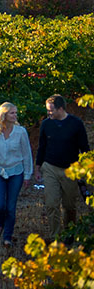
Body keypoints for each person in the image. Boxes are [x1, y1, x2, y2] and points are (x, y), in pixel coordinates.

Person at [35, 94, 91, 236]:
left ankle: (69, 233)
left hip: (70, 170)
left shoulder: (76, 124)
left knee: (69, 205)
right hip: (50, 167)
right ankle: (56, 237)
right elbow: (42, 147)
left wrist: (85, 169)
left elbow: (84, 148)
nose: (48, 113)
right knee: (51, 204)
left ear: (60, 109)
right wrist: (38, 167)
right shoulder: (46, 124)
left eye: (50, 110)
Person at [0, 102, 33, 247]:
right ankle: (0, 223)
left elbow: (27, 154)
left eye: (16, 113)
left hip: (16, 172)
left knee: (10, 206)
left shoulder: (21, 132)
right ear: (3, 114)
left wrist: (28, 174)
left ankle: (7, 237)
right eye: (12, 113)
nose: (15, 115)